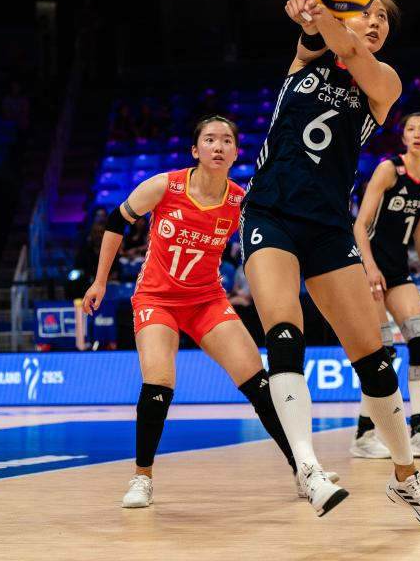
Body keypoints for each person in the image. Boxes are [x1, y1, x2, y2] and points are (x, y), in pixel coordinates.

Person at [239, 0, 420, 526]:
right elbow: (319, 37)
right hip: (270, 212)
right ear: (344, 15)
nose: (376, 23)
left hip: (329, 225)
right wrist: (307, 11)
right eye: (367, 13)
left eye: (384, 19)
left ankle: (406, 478)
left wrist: (324, 16)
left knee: (373, 358)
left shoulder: (385, 82)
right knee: (284, 333)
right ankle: (308, 468)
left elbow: (354, 52)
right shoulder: (308, 56)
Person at [81, 117, 302, 509]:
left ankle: (304, 470)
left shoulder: (239, 202)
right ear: (195, 150)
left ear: (235, 153)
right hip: (157, 300)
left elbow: (266, 244)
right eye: (210, 140)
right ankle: (142, 477)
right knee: (159, 382)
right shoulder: (165, 186)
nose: (218, 146)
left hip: (207, 300)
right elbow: (117, 220)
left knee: (257, 380)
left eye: (227, 141)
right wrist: (100, 281)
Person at [349, 111, 420, 461]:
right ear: (404, 137)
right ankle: (364, 435)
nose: (417, 133)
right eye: (411, 128)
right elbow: (359, 225)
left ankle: (418, 430)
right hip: (367, 266)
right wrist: (370, 268)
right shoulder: (389, 169)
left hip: (398, 270)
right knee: (383, 352)